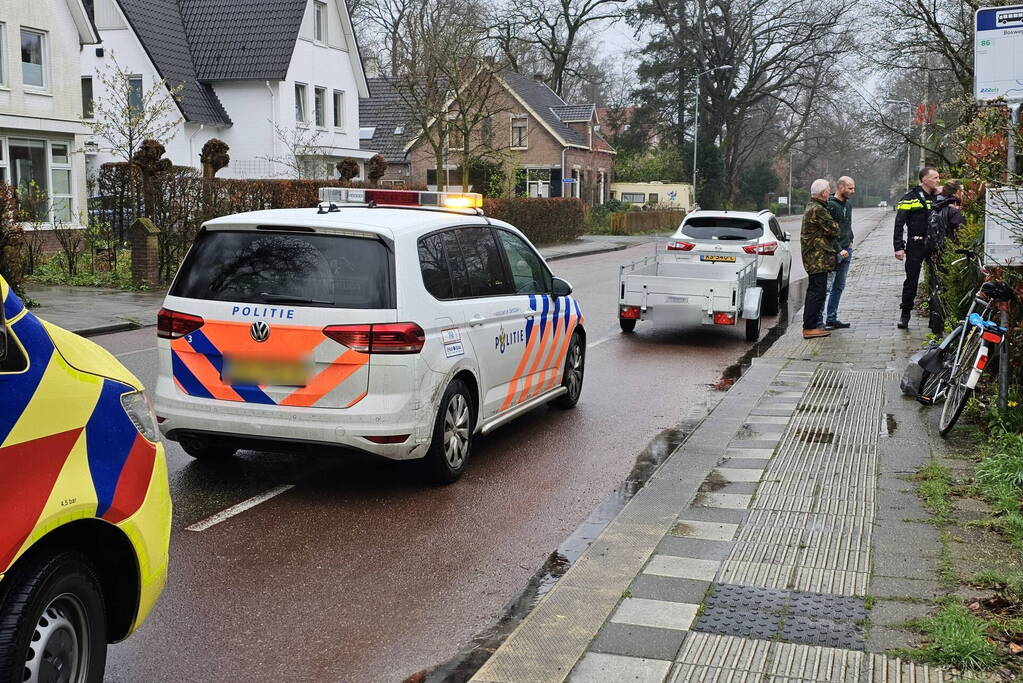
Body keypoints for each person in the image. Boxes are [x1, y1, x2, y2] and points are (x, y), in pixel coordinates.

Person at [894, 167, 940, 329]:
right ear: (924, 180)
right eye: (935, 178)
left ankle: (935, 317)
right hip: (915, 244)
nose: (938, 180)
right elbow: (899, 224)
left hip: (934, 245)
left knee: (936, 281)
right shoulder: (909, 198)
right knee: (911, 280)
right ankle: (905, 314)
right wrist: (898, 247)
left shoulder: (937, 197)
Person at [801, 179, 841, 339]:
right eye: (828, 190)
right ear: (824, 193)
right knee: (817, 293)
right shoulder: (818, 209)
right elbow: (834, 229)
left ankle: (811, 326)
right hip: (818, 259)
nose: (830, 192)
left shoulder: (812, 206)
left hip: (814, 258)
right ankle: (809, 327)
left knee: (814, 291)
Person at [824, 176, 855, 330]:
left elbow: (847, 224)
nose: (853, 191)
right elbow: (828, 232)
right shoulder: (830, 205)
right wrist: (838, 249)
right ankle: (819, 321)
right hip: (834, 252)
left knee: (839, 286)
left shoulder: (848, 205)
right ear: (841, 187)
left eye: (853, 188)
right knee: (827, 286)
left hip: (846, 250)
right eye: (850, 188)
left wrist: (850, 240)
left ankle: (831, 318)